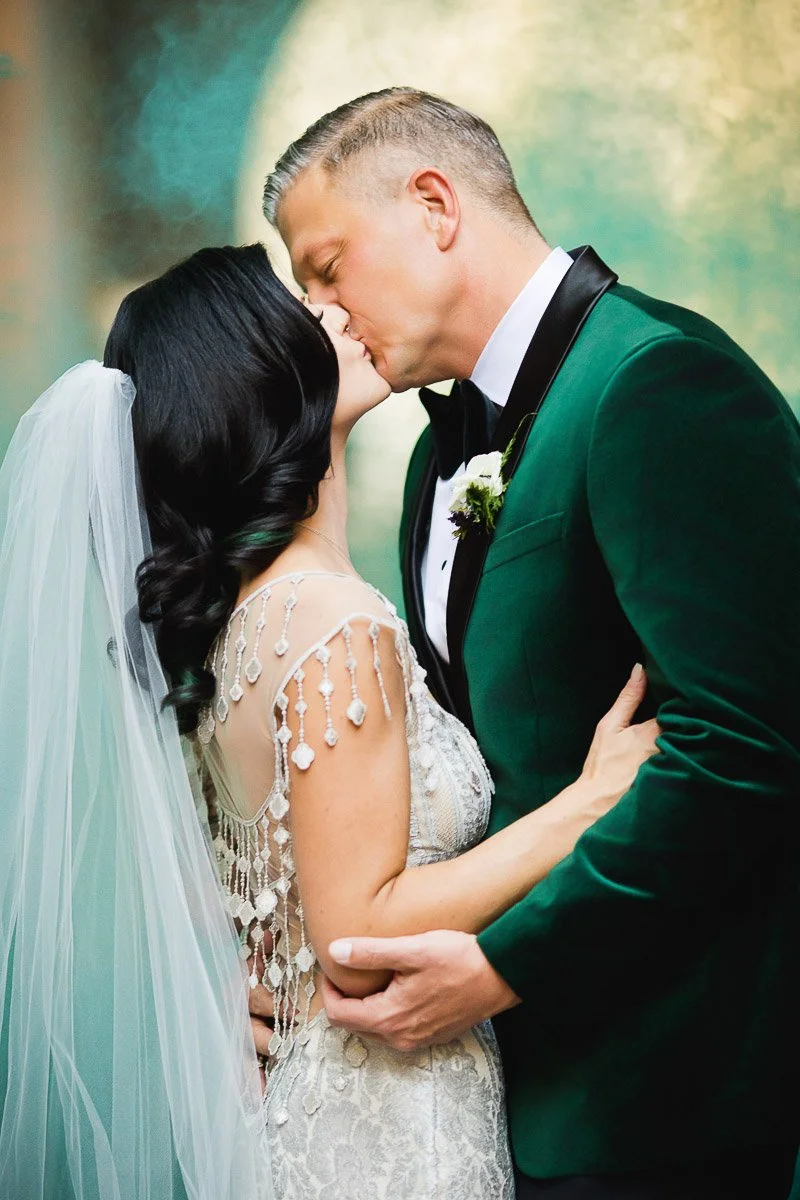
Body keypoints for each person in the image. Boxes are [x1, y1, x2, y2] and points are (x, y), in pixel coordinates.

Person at [0, 243, 657, 1198]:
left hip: (311, 1107)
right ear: (253, 370)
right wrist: (588, 802)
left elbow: (248, 889)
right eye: (301, 305)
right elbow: (356, 928)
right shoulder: (329, 620)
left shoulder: (230, 628)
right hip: (389, 1129)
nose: (336, 312)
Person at [262, 87, 800, 1199]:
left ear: (431, 204)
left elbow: (744, 746)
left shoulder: (656, 381)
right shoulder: (429, 457)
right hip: (493, 1095)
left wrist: (506, 965)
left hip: (657, 1097)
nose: (321, 314)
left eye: (326, 267)